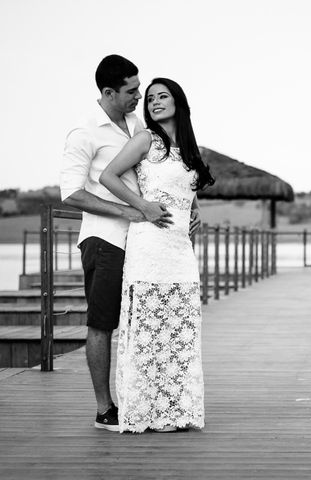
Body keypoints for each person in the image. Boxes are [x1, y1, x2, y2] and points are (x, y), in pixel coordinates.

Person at [60, 55, 175, 432]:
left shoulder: (134, 123)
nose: (138, 96)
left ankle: (139, 399)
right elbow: (72, 194)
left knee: (138, 322)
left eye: (139, 88)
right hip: (104, 240)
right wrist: (128, 210)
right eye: (131, 91)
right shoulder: (83, 133)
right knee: (101, 323)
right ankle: (103, 408)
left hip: (142, 242)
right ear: (108, 92)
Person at [100, 77, 215, 433]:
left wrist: (195, 209)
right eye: (150, 98)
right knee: (148, 327)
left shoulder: (191, 150)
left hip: (180, 248)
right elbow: (108, 176)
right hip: (149, 243)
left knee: (179, 327)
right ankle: (143, 411)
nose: (154, 102)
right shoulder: (146, 139)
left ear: (178, 102)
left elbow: (185, 186)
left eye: (163, 96)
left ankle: (176, 409)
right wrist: (143, 206)